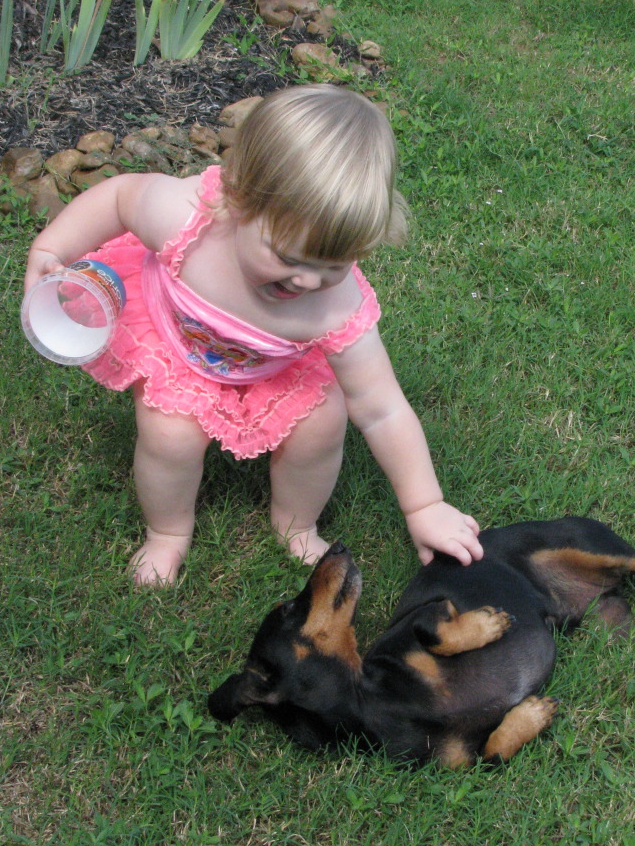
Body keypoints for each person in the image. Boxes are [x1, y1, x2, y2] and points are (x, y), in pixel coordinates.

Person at [24, 84, 483, 585]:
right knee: (170, 436)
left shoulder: (335, 306)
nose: (307, 282)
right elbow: (117, 198)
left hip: (274, 367)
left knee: (323, 423)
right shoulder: (183, 220)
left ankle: (297, 524)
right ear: (237, 198)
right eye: (287, 257)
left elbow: (381, 407)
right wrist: (51, 249)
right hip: (180, 344)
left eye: (334, 265)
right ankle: (167, 532)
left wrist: (425, 505)